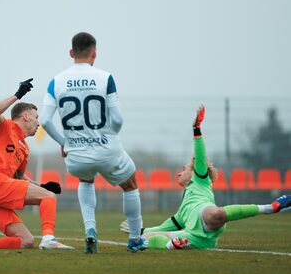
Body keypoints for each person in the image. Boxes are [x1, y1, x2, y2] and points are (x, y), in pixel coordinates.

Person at [120, 105, 291, 250]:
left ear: (194, 172)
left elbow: (200, 156)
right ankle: (173, 245)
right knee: (150, 237)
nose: (179, 172)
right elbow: (164, 227)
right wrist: (140, 230)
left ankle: (270, 207)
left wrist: (197, 129)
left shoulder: (200, 181)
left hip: (208, 219)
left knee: (213, 213)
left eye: (184, 169)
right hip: (196, 239)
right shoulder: (182, 212)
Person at [40, 32, 145, 253]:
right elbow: (117, 119)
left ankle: (90, 230)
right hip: (107, 149)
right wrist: (110, 135)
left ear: (71, 53)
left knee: (86, 180)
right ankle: (135, 239)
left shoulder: (56, 81)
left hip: (76, 153)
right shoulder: (105, 77)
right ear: (94, 52)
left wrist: (64, 142)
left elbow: (45, 120)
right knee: (130, 184)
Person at [0, 79, 74, 251]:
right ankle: (49, 239)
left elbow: (19, 177)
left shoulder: (24, 147)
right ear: (26, 116)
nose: (39, 123)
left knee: (25, 241)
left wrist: (42, 185)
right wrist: (17, 95)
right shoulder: (4, 126)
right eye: (36, 118)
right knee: (48, 197)